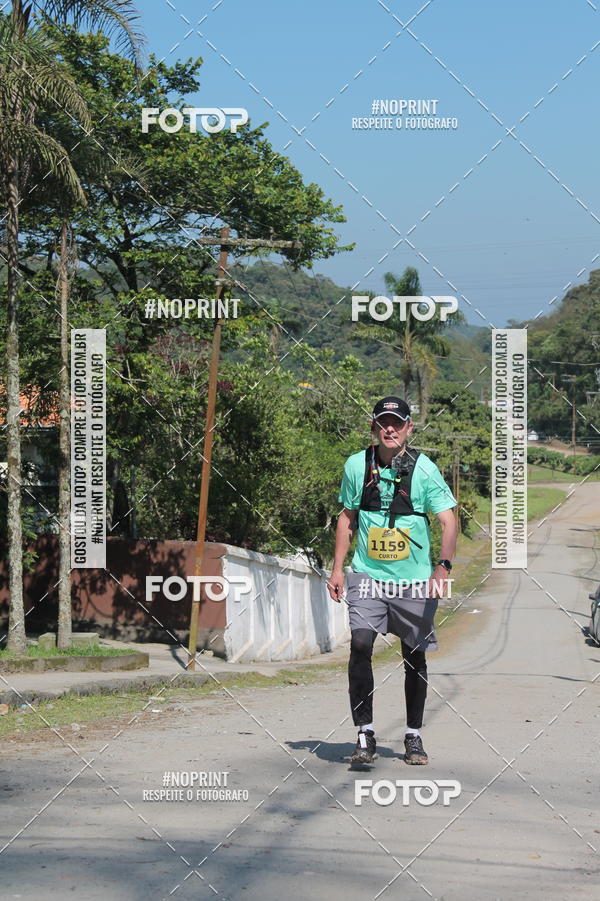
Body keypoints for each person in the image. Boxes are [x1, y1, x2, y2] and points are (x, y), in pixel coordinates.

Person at [327, 396, 457, 767]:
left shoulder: (425, 470)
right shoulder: (356, 465)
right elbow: (346, 518)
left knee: (413, 656)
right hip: (367, 574)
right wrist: (338, 569)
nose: (389, 429)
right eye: (383, 422)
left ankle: (413, 735)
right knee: (360, 645)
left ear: (408, 429)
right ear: (374, 426)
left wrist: (442, 567)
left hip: (414, 580)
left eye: (396, 423)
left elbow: (449, 521)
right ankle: (364, 732)